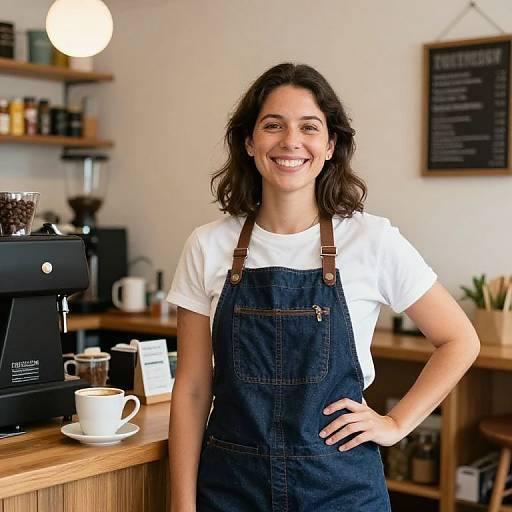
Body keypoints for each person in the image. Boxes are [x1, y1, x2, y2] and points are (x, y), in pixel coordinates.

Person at [167, 63, 480, 512]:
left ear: (330, 145)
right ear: (249, 142)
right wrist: (182, 505)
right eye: (273, 125)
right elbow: (194, 388)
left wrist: (395, 423)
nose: (290, 141)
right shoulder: (207, 245)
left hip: (340, 487)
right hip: (230, 486)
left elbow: (460, 340)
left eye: (309, 127)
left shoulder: (372, 240)